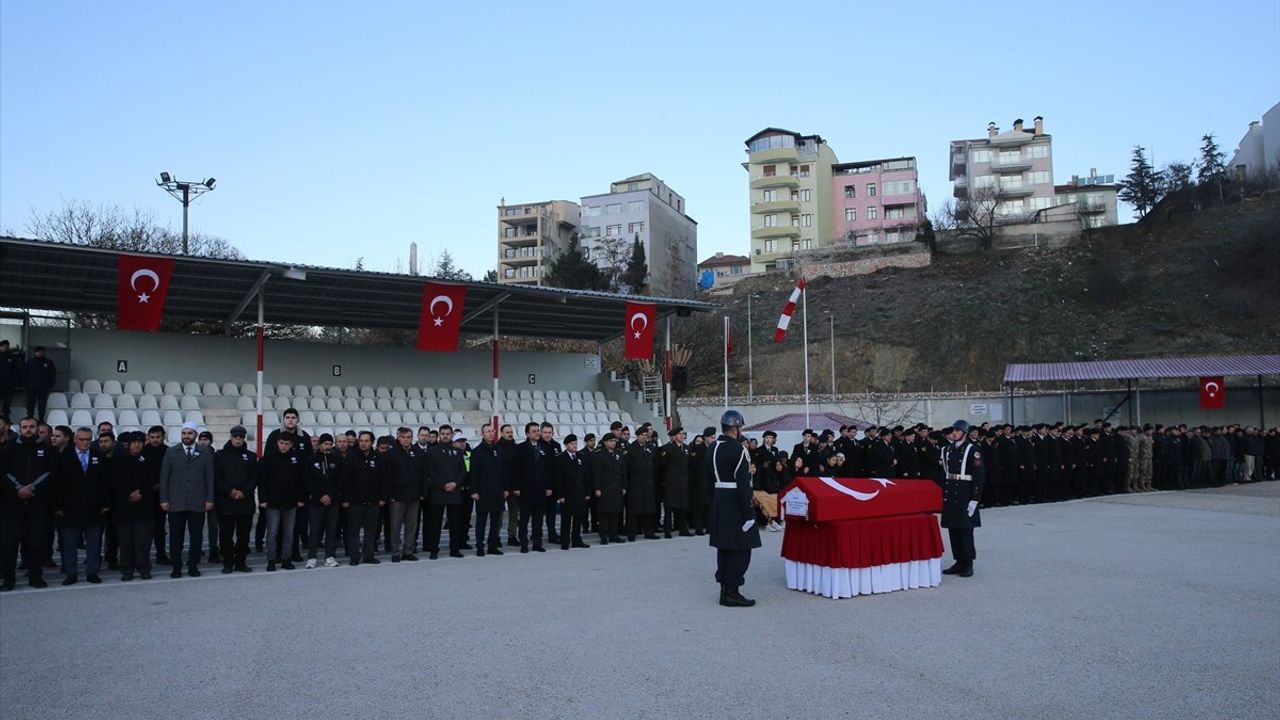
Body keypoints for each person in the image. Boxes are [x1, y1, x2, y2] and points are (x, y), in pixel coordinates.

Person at [708, 409, 760, 608]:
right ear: (735, 428)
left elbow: (707, 481)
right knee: (741, 548)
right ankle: (732, 592)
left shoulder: (711, 447)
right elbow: (743, 483)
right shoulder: (738, 449)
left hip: (719, 500)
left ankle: (725, 589)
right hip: (735, 502)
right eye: (740, 427)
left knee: (725, 547)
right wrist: (748, 513)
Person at [1, 417, 56, 590]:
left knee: (36, 543)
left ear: (37, 428)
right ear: (20, 428)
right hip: (13, 504)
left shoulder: (47, 449)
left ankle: (36, 577)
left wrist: (32, 488)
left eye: (32, 426)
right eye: (24, 427)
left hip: (37, 504)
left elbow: (51, 473)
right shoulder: (9, 449)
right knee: (9, 544)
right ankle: (8, 580)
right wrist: (18, 488)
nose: (28, 430)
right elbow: (3, 473)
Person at [158, 421, 215, 578]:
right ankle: (176, 566)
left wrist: (209, 499)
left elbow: (209, 478)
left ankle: (193, 565)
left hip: (197, 501)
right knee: (176, 536)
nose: (186, 436)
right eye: (184, 433)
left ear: (195, 435)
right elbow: (164, 478)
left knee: (196, 535)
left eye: (190, 433)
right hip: (176, 502)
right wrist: (164, 499)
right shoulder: (171, 452)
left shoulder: (204, 453)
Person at [55, 427, 110, 585]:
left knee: (94, 542)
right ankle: (71, 572)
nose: (85, 442)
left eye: (88, 439)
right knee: (69, 543)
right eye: (82, 439)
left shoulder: (99, 455)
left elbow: (105, 482)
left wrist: (106, 503)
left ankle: (92, 571)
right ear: (74, 439)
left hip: (94, 507)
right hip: (70, 508)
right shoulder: (64, 457)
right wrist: (58, 506)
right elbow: (58, 484)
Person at [939, 420, 985, 578]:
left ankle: (968, 563)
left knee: (965, 529)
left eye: (958, 431)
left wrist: (975, 499)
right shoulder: (948, 449)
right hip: (951, 493)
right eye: (953, 430)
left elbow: (979, 476)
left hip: (965, 493)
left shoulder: (973, 450)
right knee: (954, 529)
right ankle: (958, 561)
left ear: (964, 433)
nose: (954, 433)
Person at [213, 425, 257, 573]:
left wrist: (244, 491)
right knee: (225, 535)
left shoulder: (251, 456)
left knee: (243, 536)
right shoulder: (219, 455)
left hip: (245, 503)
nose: (238, 439)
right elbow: (217, 477)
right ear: (230, 437)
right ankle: (227, 562)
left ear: (244, 438)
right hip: (226, 503)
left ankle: (241, 561)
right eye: (235, 436)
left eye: (241, 436)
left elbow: (254, 477)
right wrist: (229, 491)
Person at [111, 432, 154, 580]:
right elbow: (114, 482)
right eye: (134, 442)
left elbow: (152, 481)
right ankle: (127, 570)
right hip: (124, 507)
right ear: (129, 444)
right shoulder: (118, 460)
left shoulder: (148, 460)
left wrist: (141, 493)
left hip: (143, 507)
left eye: (140, 442)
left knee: (142, 541)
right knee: (125, 541)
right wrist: (128, 495)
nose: (137, 445)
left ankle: (144, 568)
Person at [258, 432, 304, 571]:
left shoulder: (296, 458)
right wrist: (263, 499)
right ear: (278, 442)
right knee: (272, 532)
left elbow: (301, 481)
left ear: (291, 445)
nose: (284, 446)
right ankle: (271, 560)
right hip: (273, 502)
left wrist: (301, 498)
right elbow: (262, 481)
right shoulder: (269, 458)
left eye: (287, 444)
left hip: (291, 502)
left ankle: (286, 558)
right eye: (282, 443)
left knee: (289, 533)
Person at [340, 431, 384, 566]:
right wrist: (345, 499)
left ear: (372, 442)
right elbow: (345, 480)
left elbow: (382, 479)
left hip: (373, 501)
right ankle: (354, 556)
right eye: (361, 440)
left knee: (371, 531)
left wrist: (382, 497)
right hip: (355, 501)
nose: (363, 443)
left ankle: (368, 555)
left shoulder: (378, 457)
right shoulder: (351, 456)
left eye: (366, 440)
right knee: (353, 530)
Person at [424, 426, 466, 559]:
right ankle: (433, 550)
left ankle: (455, 549)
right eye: (443, 434)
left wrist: (455, 483)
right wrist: (443, 485)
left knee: (455, 522)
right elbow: (430, 472)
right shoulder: (432, 452)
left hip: (454, 491)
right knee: (435, 523)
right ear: (439, 435)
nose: (445, 436)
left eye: (448, 434)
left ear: (452, 435)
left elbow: (463, 471)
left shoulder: (458, 452)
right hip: (438, 492)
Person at [383, 427, 424, 563]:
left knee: (411, 526)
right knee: (395, 527)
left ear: (412, 438)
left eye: (408, 437)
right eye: (403, 437)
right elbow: (386, 477)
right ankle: (395, 552)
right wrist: (390, 495)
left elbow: (424, 474)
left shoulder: (417, 452)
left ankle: (408, 551)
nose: (406, 440)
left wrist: (422, 493)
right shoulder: (391, 453)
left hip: (414, 496)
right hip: (397, 497)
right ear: (398, 438)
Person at [468, 423, 508, 556]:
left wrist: (506, 489)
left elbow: (504, 471)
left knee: (496, 521)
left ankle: (492, 545)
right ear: (482, 434)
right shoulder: (477, 451)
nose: (491, 433)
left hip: (497, 491)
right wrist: (474, 491)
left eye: (492, 431)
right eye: (488, 431)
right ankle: (480, 546)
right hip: (483, 492)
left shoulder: (500, 450)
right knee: (481, 521)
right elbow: (473, 473)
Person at [305, 434, 341, 569]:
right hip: (316, 502)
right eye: (325, 444)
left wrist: (330, 495)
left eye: (329, 444)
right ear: (320, 445)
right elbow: (308, 482)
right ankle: (312, 557)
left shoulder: (336, 460)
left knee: (331, 530)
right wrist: (321, 495)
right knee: (315, 530)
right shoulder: (311, 460)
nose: (327, 447)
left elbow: (339, 480)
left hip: (333, 501)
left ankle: (329, 556)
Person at [514, 422, 551, 553]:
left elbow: (548, 469)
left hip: (540, 490)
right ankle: (524, 543)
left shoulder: (544, 448)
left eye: (538, 431)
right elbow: (516, 469)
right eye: (534, 431)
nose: (537, 433)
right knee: (524, 520)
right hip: (525, 490)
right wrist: (517, 487)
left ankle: (537, 543)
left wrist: (548, 487)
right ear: (527, 433)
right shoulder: (520, 448)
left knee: (538, 520)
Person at [553, 433, 591, 550]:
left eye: (575, 443)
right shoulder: (560, 458)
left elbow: (586, 476)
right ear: (566, 445)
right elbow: (558, 479)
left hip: (580, 493)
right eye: (571, 444)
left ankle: (576, 539)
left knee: (578, 517)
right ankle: (565, 541)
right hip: (567, 493)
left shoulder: (581, 456)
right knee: (566, 519)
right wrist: (560, 495)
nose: (574, 446)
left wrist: (588, 492)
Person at [657, 427, 692, 538]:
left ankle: (683, 528)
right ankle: (667, 530)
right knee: (669, 508)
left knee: (683, 507)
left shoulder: (686, 448)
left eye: (683, 434)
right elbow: (662, 466)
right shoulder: (668, 448)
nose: (682, 436)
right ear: (674, 436)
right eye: (679, 434)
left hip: (683, 482)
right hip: (671, 482)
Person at [625, 426, 658, 541]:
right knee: (634, 510)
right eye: (642, 435)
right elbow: (626, 467)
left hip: (648, 482)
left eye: (646, 435)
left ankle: (648, 531)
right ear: (637, 436)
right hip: (636, 483)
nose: (644, 437)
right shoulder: (631, 448)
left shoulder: (650, 447)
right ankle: (631, 532)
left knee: (649, 509)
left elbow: (654, 463)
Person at [592, 434, 626, 544]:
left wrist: (624, 486)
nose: (613, 443)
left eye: (614, 441)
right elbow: (596, 473)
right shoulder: (599, 454)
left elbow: (623, 472)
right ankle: (603, 535)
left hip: (616, 487)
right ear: (605, 442)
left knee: (615, 513)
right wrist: (597, 488)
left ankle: (613, 535)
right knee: (604, 514)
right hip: (604, 488)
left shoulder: (619, 453)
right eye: (611, 441)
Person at [24, 346, 56, 422]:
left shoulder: (48, 362)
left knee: (42, 405)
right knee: (30, 404)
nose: (39, 353)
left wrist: (51, 385)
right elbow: (25, 374)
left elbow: (52, 374)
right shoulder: (30, 362)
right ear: (35, 352)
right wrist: (25, 384)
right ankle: (30, 418)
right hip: (31, 387)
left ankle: (41, 420)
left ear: (43, 352)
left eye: (41, 351)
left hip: (43, 387)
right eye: (38, 352)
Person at [0, 340, 18, 419]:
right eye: (3, 347)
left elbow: (17, 370)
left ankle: (6, 419)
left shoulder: (12, 357)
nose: (5, 348)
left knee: (7, 404)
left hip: (9, 385)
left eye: (7, 347)